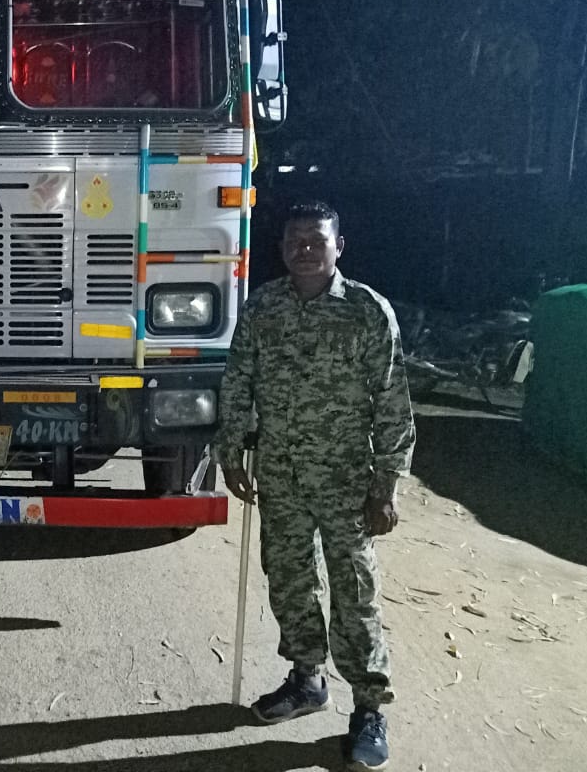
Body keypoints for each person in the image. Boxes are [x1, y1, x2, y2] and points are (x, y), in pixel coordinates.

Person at [214, 201, 415, 772]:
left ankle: (369, 709)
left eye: (316, 239)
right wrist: (231, 450)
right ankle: (307, 681)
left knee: (355, 592)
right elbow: (239, 381)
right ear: (281, 249)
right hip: (280, 475)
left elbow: (393, 404)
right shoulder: (264, 308)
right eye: (295, 240)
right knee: (291, 582)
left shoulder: (366, 312)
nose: (305, 249)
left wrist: (388, 485)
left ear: (339, 246)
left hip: (348, 481)